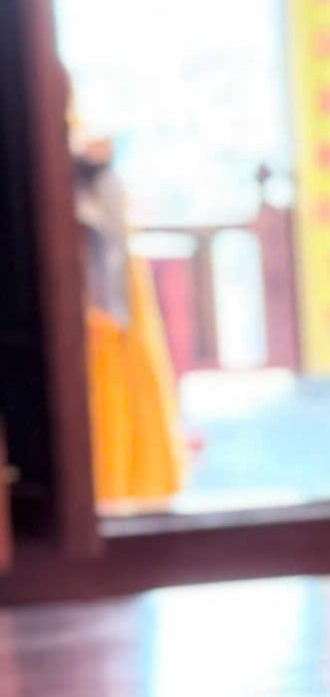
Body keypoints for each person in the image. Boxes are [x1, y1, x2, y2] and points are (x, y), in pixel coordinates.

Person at [68, 78, 186, 508]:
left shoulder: (79, 136)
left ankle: (127, 480)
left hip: (103, 274)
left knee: (120, 377)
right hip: (82, 275)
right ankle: (107, 481)